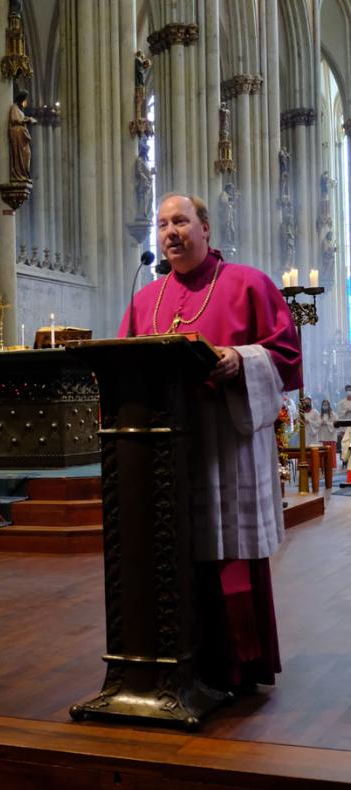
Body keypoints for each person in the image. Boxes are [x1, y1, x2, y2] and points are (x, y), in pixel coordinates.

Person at [120, 192, 301, 691]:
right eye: (162, 225)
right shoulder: (144, 300)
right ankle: (179, 659)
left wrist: (242, 360)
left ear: (206, 229)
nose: (170, 232)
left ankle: (238, 663)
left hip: (227, 442)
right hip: (166, 451)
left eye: (180, 221)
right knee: (171, 556)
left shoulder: (248, 284)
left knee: (229, 553)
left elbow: (285, 352)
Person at [9, 91, 36, 182]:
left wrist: (26, 119)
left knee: (27, 154)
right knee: (20, 154)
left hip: (22, 135)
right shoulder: (14, 107)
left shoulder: (20, 110)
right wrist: (27, 120)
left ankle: (23, 173)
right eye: (25, 99)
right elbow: (14, 119)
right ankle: (19, 174)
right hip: (17, 134)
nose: (25, 101)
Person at [336, 385, 351, 465]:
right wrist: (346, 411)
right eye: (348, 390)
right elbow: (339, 414)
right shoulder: (341, 403)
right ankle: (344, 460)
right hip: (344, 427)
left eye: (350, 390)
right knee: (344, 443)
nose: (349, 391)